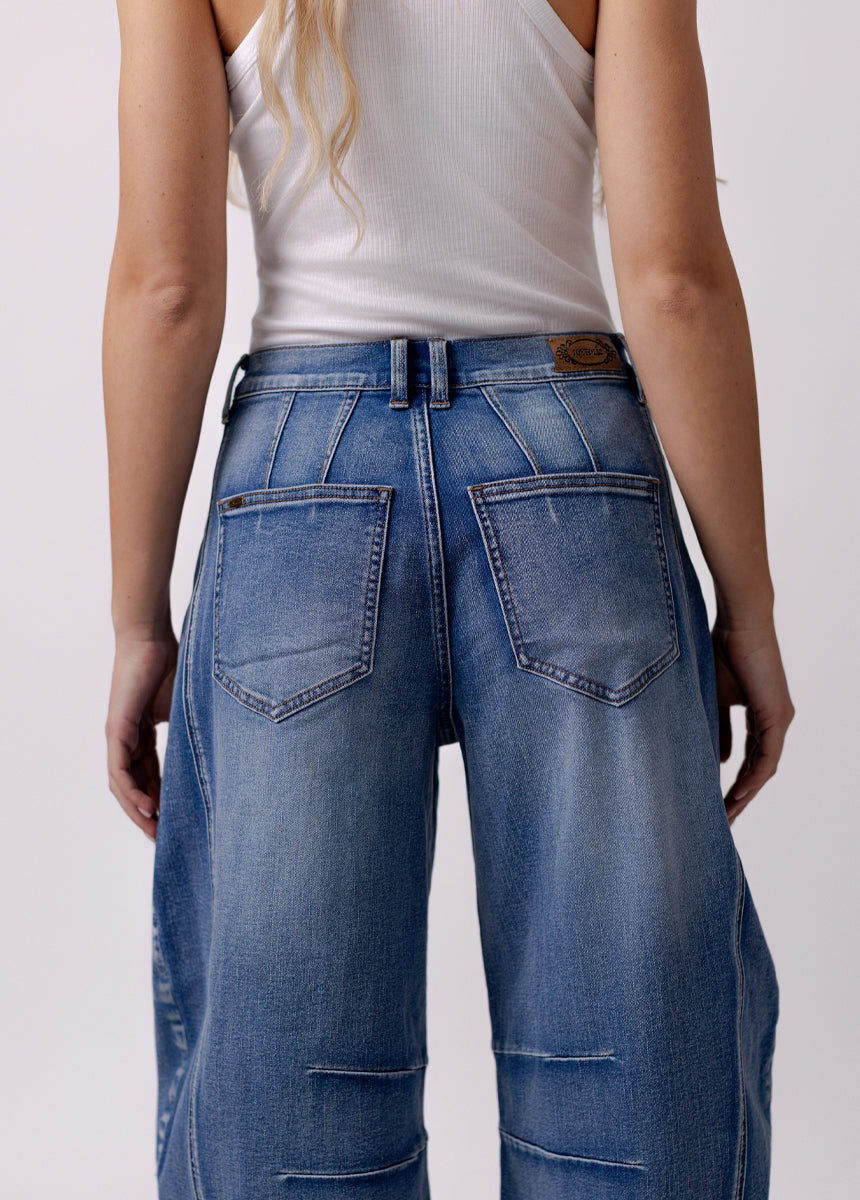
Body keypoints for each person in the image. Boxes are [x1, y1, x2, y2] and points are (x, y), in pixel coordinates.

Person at [103, 1, 795, 1196]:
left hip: (300, 488)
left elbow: (165, 288)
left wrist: (134, 622)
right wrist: (749, 611)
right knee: (636, 1041)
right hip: (569, 467)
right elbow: (673, 280)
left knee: (287, 1059)